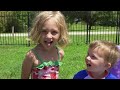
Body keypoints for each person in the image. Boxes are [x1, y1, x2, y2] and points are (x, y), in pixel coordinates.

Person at [21, 11, 69, 79]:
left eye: (54, 32)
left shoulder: (60, 54)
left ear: (60, 34)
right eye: (44, 31)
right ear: (38, 31)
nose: (49, 36)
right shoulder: (31, 56)